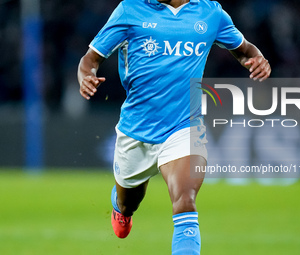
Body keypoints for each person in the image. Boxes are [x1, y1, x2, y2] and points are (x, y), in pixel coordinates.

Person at [78, 0, 271, 254]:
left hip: (184, 126)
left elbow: (245, 49)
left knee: (185, 200)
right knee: (128, 203)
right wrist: (86, 76)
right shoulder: (130, 10)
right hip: (136, 131)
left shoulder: (210, 13)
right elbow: (90, 58)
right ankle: (120, 206)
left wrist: (258, 60)